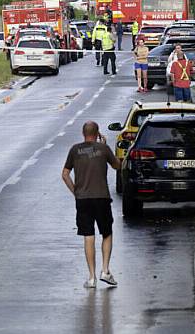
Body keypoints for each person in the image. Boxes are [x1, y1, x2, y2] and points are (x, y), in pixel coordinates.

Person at [62, 121, 121, 289]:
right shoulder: (103, 149)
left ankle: (92, 278)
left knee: (88, 236)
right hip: (101, 197)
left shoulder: (75, 150)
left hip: (83, 200)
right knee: (107, 233)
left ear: (83, 134)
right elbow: (118, 165)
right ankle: (105, 271)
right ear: (97, 134)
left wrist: (76, 192)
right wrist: (105, 146)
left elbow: (65, 175)